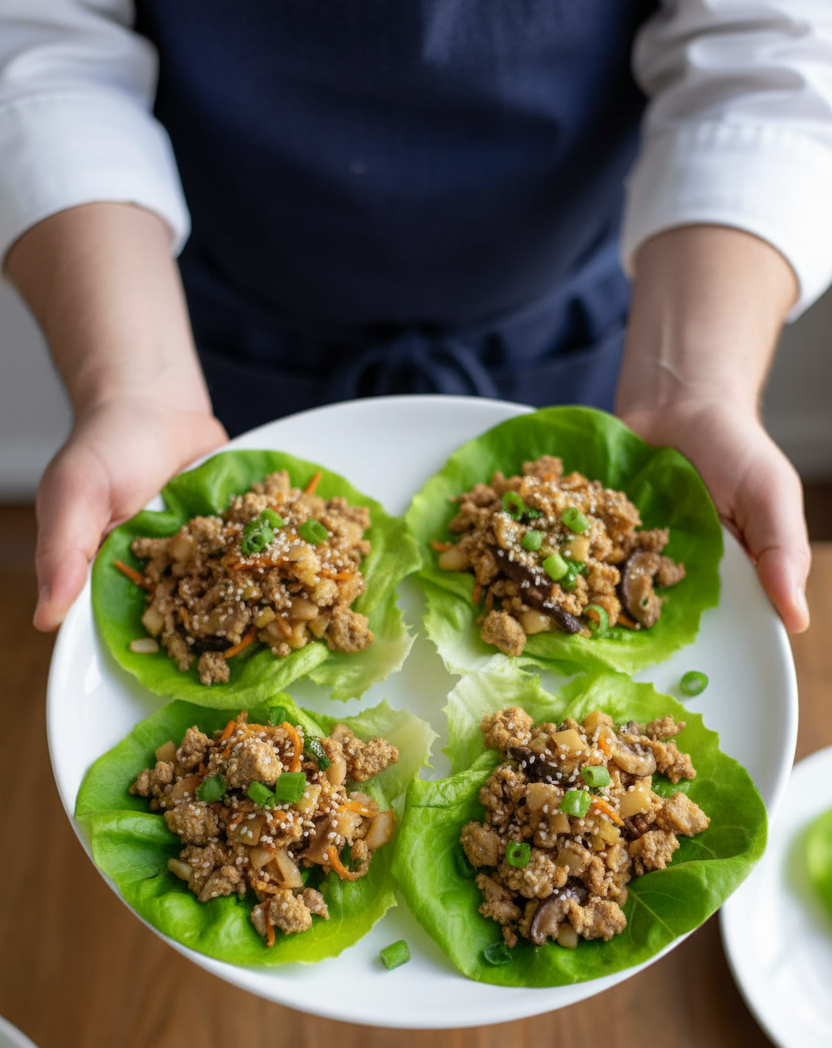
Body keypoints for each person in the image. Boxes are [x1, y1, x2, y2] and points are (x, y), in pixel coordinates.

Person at [1, 1, 830, 636]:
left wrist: (696, 388)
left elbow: (766, 57)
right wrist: (135, 388)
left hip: (591, 331)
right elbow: (43, 50)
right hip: (195, 328)